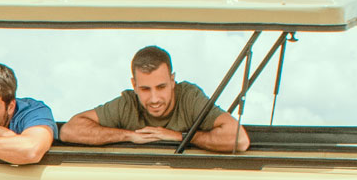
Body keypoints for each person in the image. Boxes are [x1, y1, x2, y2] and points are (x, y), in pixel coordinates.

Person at [61, 46, 251, 153]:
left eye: (161, 87)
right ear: (134, 85)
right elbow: (70, 131)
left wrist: (179, 137)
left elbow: (239, 140)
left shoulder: (189, 98)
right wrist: (127, 136)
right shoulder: (128, 103)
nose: (154, 99)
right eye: (145, 89)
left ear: (173, 80)